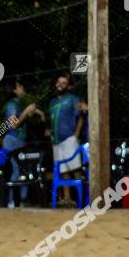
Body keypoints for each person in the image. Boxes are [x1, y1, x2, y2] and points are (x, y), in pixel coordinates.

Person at [2, 77, 43, 208]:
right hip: (13, 141)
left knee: (23, 171)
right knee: (16, 170)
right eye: (20, 86)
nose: (22, 88)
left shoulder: (17, 103)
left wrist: (32, 113)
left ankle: (22, 200)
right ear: (15, 89)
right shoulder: (12, 105)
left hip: (19, 140)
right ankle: (13, 201)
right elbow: (13, 125)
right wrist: (26, 112)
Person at [47, 74, 85, 206]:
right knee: (63, 170)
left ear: (68, 86)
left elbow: (80, 117)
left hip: (69, 139)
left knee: (75, 169)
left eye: (63, 83)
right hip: (56, 141)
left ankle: (84, 198)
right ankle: (67, 199)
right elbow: (52, 121)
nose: (60, 84)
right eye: (58, 82)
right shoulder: (51, 103)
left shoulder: (73, 99)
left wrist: (76, 135)